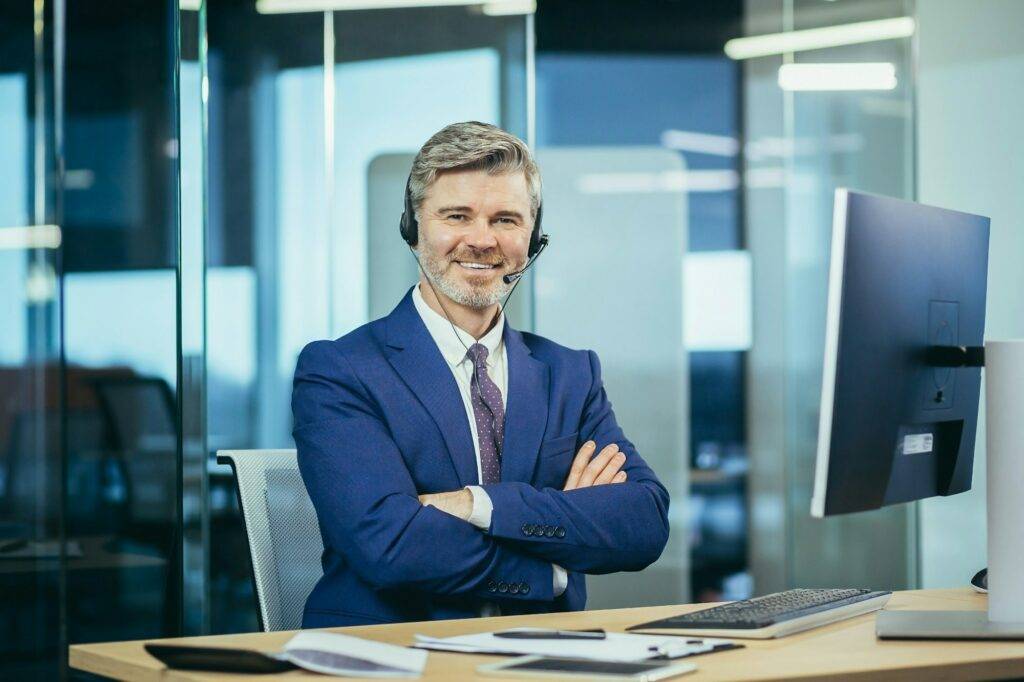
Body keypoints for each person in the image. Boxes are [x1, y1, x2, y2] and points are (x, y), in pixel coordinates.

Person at [292, 121, 670, 628]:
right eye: (457, 216)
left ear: (533, 237)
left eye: (506, 219)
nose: (481, 239)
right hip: (387, 654)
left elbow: (643, 522)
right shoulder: (341, 370)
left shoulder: (569, 374)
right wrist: (552, 566)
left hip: (540, 652)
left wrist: (478, 505)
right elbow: (390, 544)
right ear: (414, 228)